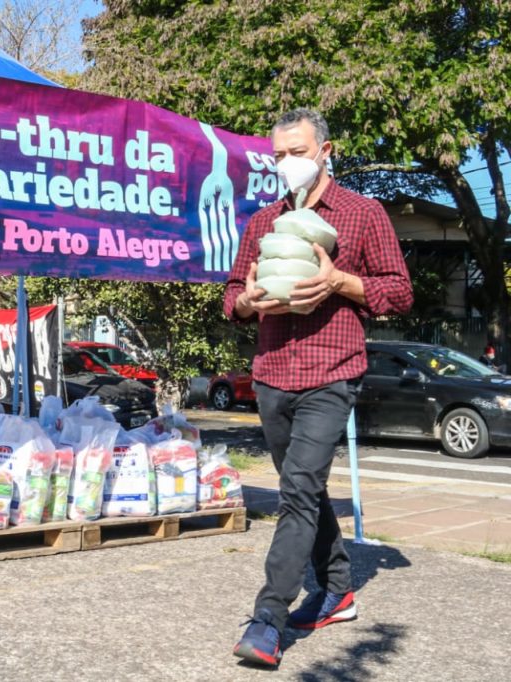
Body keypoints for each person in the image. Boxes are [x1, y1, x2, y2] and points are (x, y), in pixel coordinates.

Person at [224, 109, 412, 667]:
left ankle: (267, 621)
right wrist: (246, 302)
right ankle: (336, 589)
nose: (288, 165)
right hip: (272, 372)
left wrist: (339, 282)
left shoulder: (362, 214)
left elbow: (398, 293)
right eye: (279, 156)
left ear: (325, 151)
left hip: (333, 370)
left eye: (297, 153)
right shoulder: (262, 222)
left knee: (297, 491)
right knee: (300, 489)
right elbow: (233, 291)